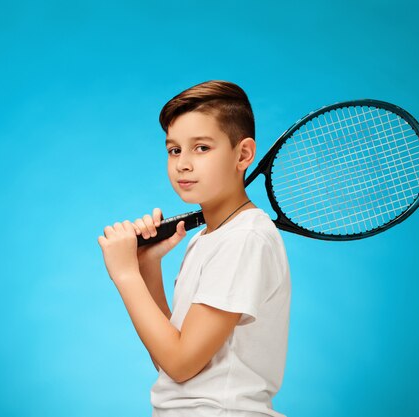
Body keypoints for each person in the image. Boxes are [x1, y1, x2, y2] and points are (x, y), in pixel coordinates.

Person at [97, 80, 291, 417]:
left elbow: (181, 364)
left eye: (201, 148)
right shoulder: (209, 238)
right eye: (174, 150)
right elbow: (168, 357)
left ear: (243, 154)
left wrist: (125, 275)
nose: (183, 164)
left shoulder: (244, 238)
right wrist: (147, 266)